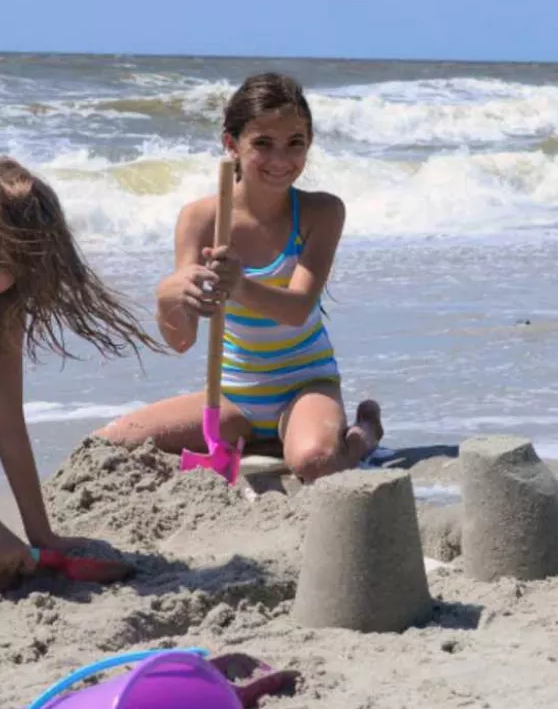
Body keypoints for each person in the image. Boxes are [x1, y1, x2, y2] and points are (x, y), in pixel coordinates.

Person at [99, 73, 383, 482]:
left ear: (310, 143)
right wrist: (168, 296)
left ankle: (364, 431)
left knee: (314, 463)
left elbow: (298, 308)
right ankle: (262, 437)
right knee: (110, 442)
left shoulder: (323, 212)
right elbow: (181, 340)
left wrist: (240, 285)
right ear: (231, 144)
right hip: (231, 395)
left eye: (295, 143)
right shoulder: (202, 218)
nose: (281, 159)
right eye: (262, 143)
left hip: (305, 384)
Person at [0, 157, 160, 589]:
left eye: (12, 264)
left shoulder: (6, 308)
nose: (4, 275)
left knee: (12, 559)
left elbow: (8, 424)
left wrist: (41, 536)